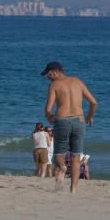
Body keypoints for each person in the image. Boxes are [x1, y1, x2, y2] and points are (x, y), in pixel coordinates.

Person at [42, 61, 97, 194]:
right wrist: (89, 116)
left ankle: (62, 167)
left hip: (62, 121)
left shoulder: (54, 85)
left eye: (48, 74)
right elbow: (93, 102)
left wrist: (49, 116)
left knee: (58, 155)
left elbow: (48, 108)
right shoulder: (77, 81)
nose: (47, 77)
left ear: (55, 71)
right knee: (75, 157)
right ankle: (73, 189)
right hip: (79, 120)